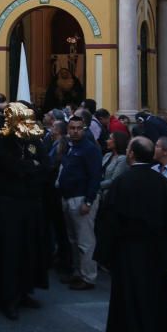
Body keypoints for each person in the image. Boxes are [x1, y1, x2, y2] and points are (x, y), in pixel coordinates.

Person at [95, 136, 167, 332]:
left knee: (134, 300)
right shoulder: (163, 183)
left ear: (131, 154)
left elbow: (110, 221)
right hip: (156, 252)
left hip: (130, 252)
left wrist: (106, 252)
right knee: (152, 298)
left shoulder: (123, 182)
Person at [0, 102, 52, 317]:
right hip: (9, 204)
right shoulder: (2, 140)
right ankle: (8, 297)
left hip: (31, 202)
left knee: (29, 248)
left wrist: (29, 167)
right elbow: (9, 165)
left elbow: (45, 165)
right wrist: (29, 167)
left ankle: (25, 290)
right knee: (10, 250)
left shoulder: (33, 140)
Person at [56, 115, 102, 291]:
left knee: (85, 241)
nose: (75, 131)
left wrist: (89, 201)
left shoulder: (90, 149)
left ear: (84, 129)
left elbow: (95, 176)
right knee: (73, 239)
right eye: (72, 128)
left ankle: (88, 277)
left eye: (78, 128)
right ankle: (78, 272)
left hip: (81, 198)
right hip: (68, 198)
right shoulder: (69, 147)